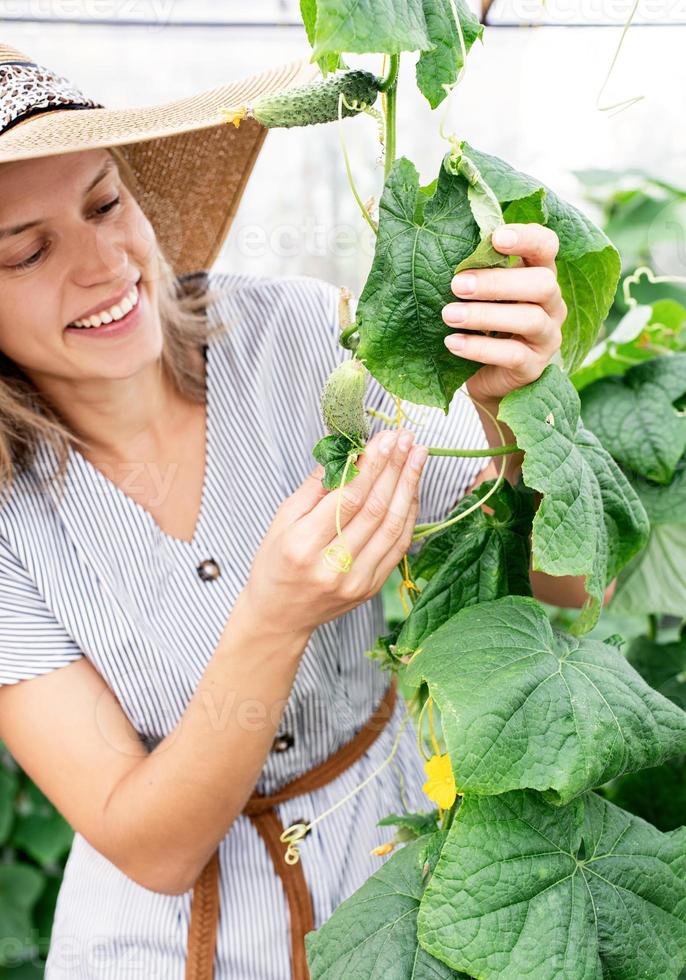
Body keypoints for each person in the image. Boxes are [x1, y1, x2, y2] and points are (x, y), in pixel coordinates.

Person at [0, 42, 598, 980]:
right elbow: (150, 847)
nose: (105, 262)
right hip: (156, 944)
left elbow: (561, 591)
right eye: (26, 252)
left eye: (106, 202)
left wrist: (513, 407)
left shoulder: (304, 336)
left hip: (395, 884)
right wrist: (272, 619)